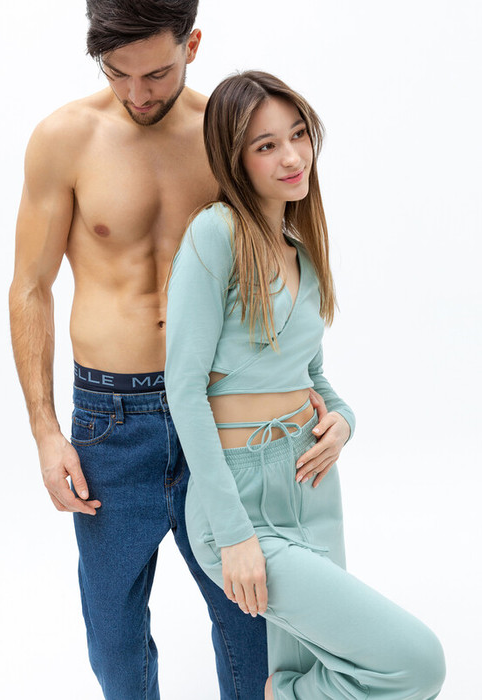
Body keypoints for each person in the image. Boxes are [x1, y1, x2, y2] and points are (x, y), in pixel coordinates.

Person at [8, 2, 270, 698]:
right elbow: (30, 287)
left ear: (193, 43)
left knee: (252, 624)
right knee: (114, 645)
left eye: (155, 73)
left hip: (219, 408)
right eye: (115, 72)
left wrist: (310, 392)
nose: (137, 93)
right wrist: (45, 431)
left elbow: (279, 274)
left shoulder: (231, 135)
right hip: (111, 419)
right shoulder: (64, 139)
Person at [165, 71, 446, 699]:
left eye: (298, 135)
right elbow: (183, 389)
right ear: (234, 159)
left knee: (320, 669)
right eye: (266, 145)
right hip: (239, 494)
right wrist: (234, 535)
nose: (292, 157)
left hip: (311, 480)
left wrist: (344, 421)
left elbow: (312, 375)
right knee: (416, 664)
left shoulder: (303, 250)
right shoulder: (215, 232)